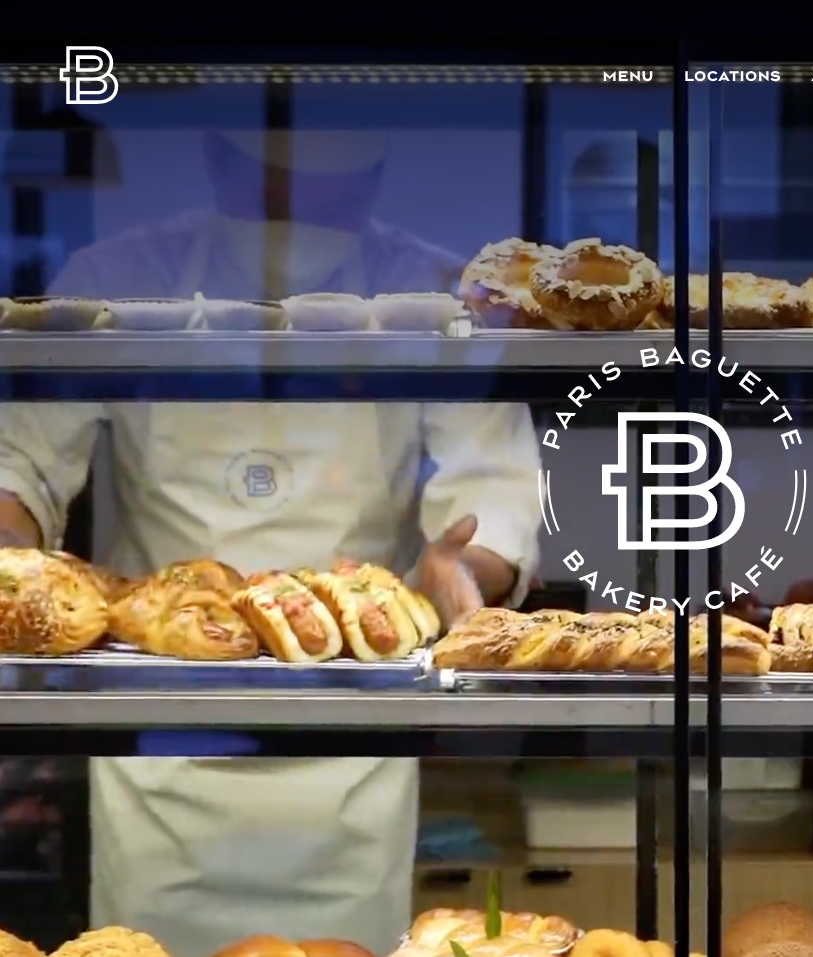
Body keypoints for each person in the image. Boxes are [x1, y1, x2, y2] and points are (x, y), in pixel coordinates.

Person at [0, 130, 542, 957]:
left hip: (349, 750)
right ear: (219, 163)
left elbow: (490, 490)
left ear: (374, 180)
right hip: (161, 749)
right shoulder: (120, 280)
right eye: (274, 196)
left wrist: (457, 569)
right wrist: (15, 558)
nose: (300, 227)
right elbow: (21, 462)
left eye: (333, 204)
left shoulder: (430, 295)